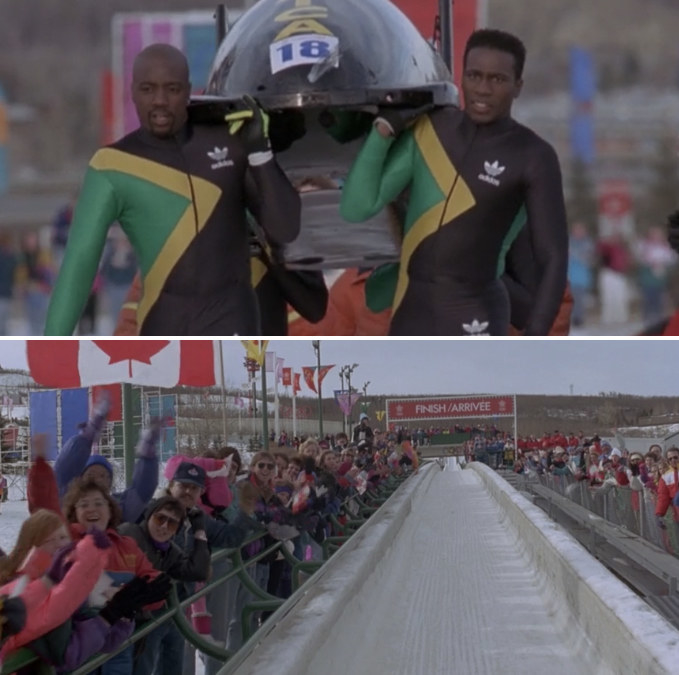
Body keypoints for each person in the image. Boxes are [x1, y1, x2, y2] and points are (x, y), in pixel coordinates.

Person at [45, 43, 300, 335]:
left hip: (236, 336)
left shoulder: (230, 140)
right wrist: (51, 348)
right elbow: (79, 263)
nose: (160, 101)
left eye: (173, 89)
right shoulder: (111, 166)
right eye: (148, 89)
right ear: (132, 92)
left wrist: (260, 151)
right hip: (164, 338)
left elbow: (286, 231)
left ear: (189, 90)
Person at [340, 28, 568, 335]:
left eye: (497, 79)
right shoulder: (430, 129)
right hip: (411, 310)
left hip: (476, 313)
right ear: (461, 76)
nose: (483, 89)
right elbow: (356, 207)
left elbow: (553, 258)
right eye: (474, 76)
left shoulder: (533, 155)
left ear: (518, 86)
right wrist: (382, 132)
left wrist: (535, 336)